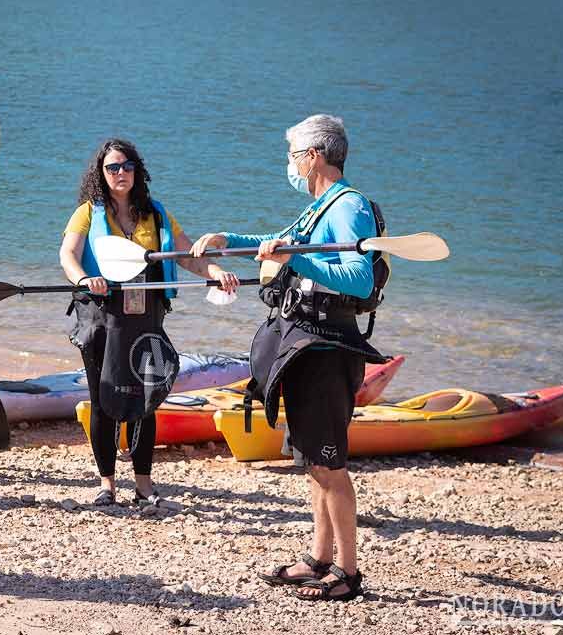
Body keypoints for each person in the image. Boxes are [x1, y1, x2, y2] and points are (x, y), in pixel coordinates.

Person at [191, 114, 388, 601]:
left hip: (326, 351)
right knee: (313, 464)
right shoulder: (321, 207)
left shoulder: (349, 207)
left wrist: (294, 259)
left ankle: (348, 572)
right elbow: (276, 246)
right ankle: (319, 558)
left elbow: (358, 278)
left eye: (293, 155)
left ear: (315, 155)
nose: (290, 164)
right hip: (302, 346)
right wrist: (226, 242)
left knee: (329, 465)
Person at [60, 138, 239, 507]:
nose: (120, 173)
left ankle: (143, 485)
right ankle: (106, 485)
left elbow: (188, 256)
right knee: (102, 399)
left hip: (145, 319)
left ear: (137, 170)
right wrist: (81, 278)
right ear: (101, 173)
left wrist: (216, 270)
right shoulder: (87, 213)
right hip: (100, 318)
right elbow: (68, 254)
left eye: (126, 166)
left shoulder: (155, 214)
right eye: (112, 167)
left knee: (147, 396)